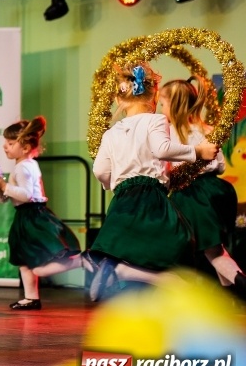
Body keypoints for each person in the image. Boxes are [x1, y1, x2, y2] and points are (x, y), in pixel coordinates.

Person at [88, 63, 218, 301]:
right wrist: (198, 151)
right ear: (154, 96)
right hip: (149, 196)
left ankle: (123, 272)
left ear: (120, 100)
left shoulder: (110, 133)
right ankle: (167, 283)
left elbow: (99, 170)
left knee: (139, 251)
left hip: (122, 200)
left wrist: (114, 185)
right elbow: (162, 149)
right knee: (178, 241)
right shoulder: (155, 120)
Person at [158, 76, 246, 296]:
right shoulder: (207, 128)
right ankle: (230, 295)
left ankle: (240, 286)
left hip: (193, 194)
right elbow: (221, 167)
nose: (161, 108)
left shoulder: (170, 133)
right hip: (218, 190)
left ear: (174, 104)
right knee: (216, 250)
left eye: (163, 103)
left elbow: (169, 171)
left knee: (210, 252)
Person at [0, 116, 82, 310]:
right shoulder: (25, 164)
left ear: (25, 147)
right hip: (27, 214)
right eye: (5, 142)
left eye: (10, 143)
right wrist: (3, 189)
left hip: (32, 216)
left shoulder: (23, 167)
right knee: (24, 259)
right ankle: (31, 297)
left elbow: (26, 195)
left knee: (37, 267)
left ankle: (82, 261)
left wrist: (4, 185)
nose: (5, 147)